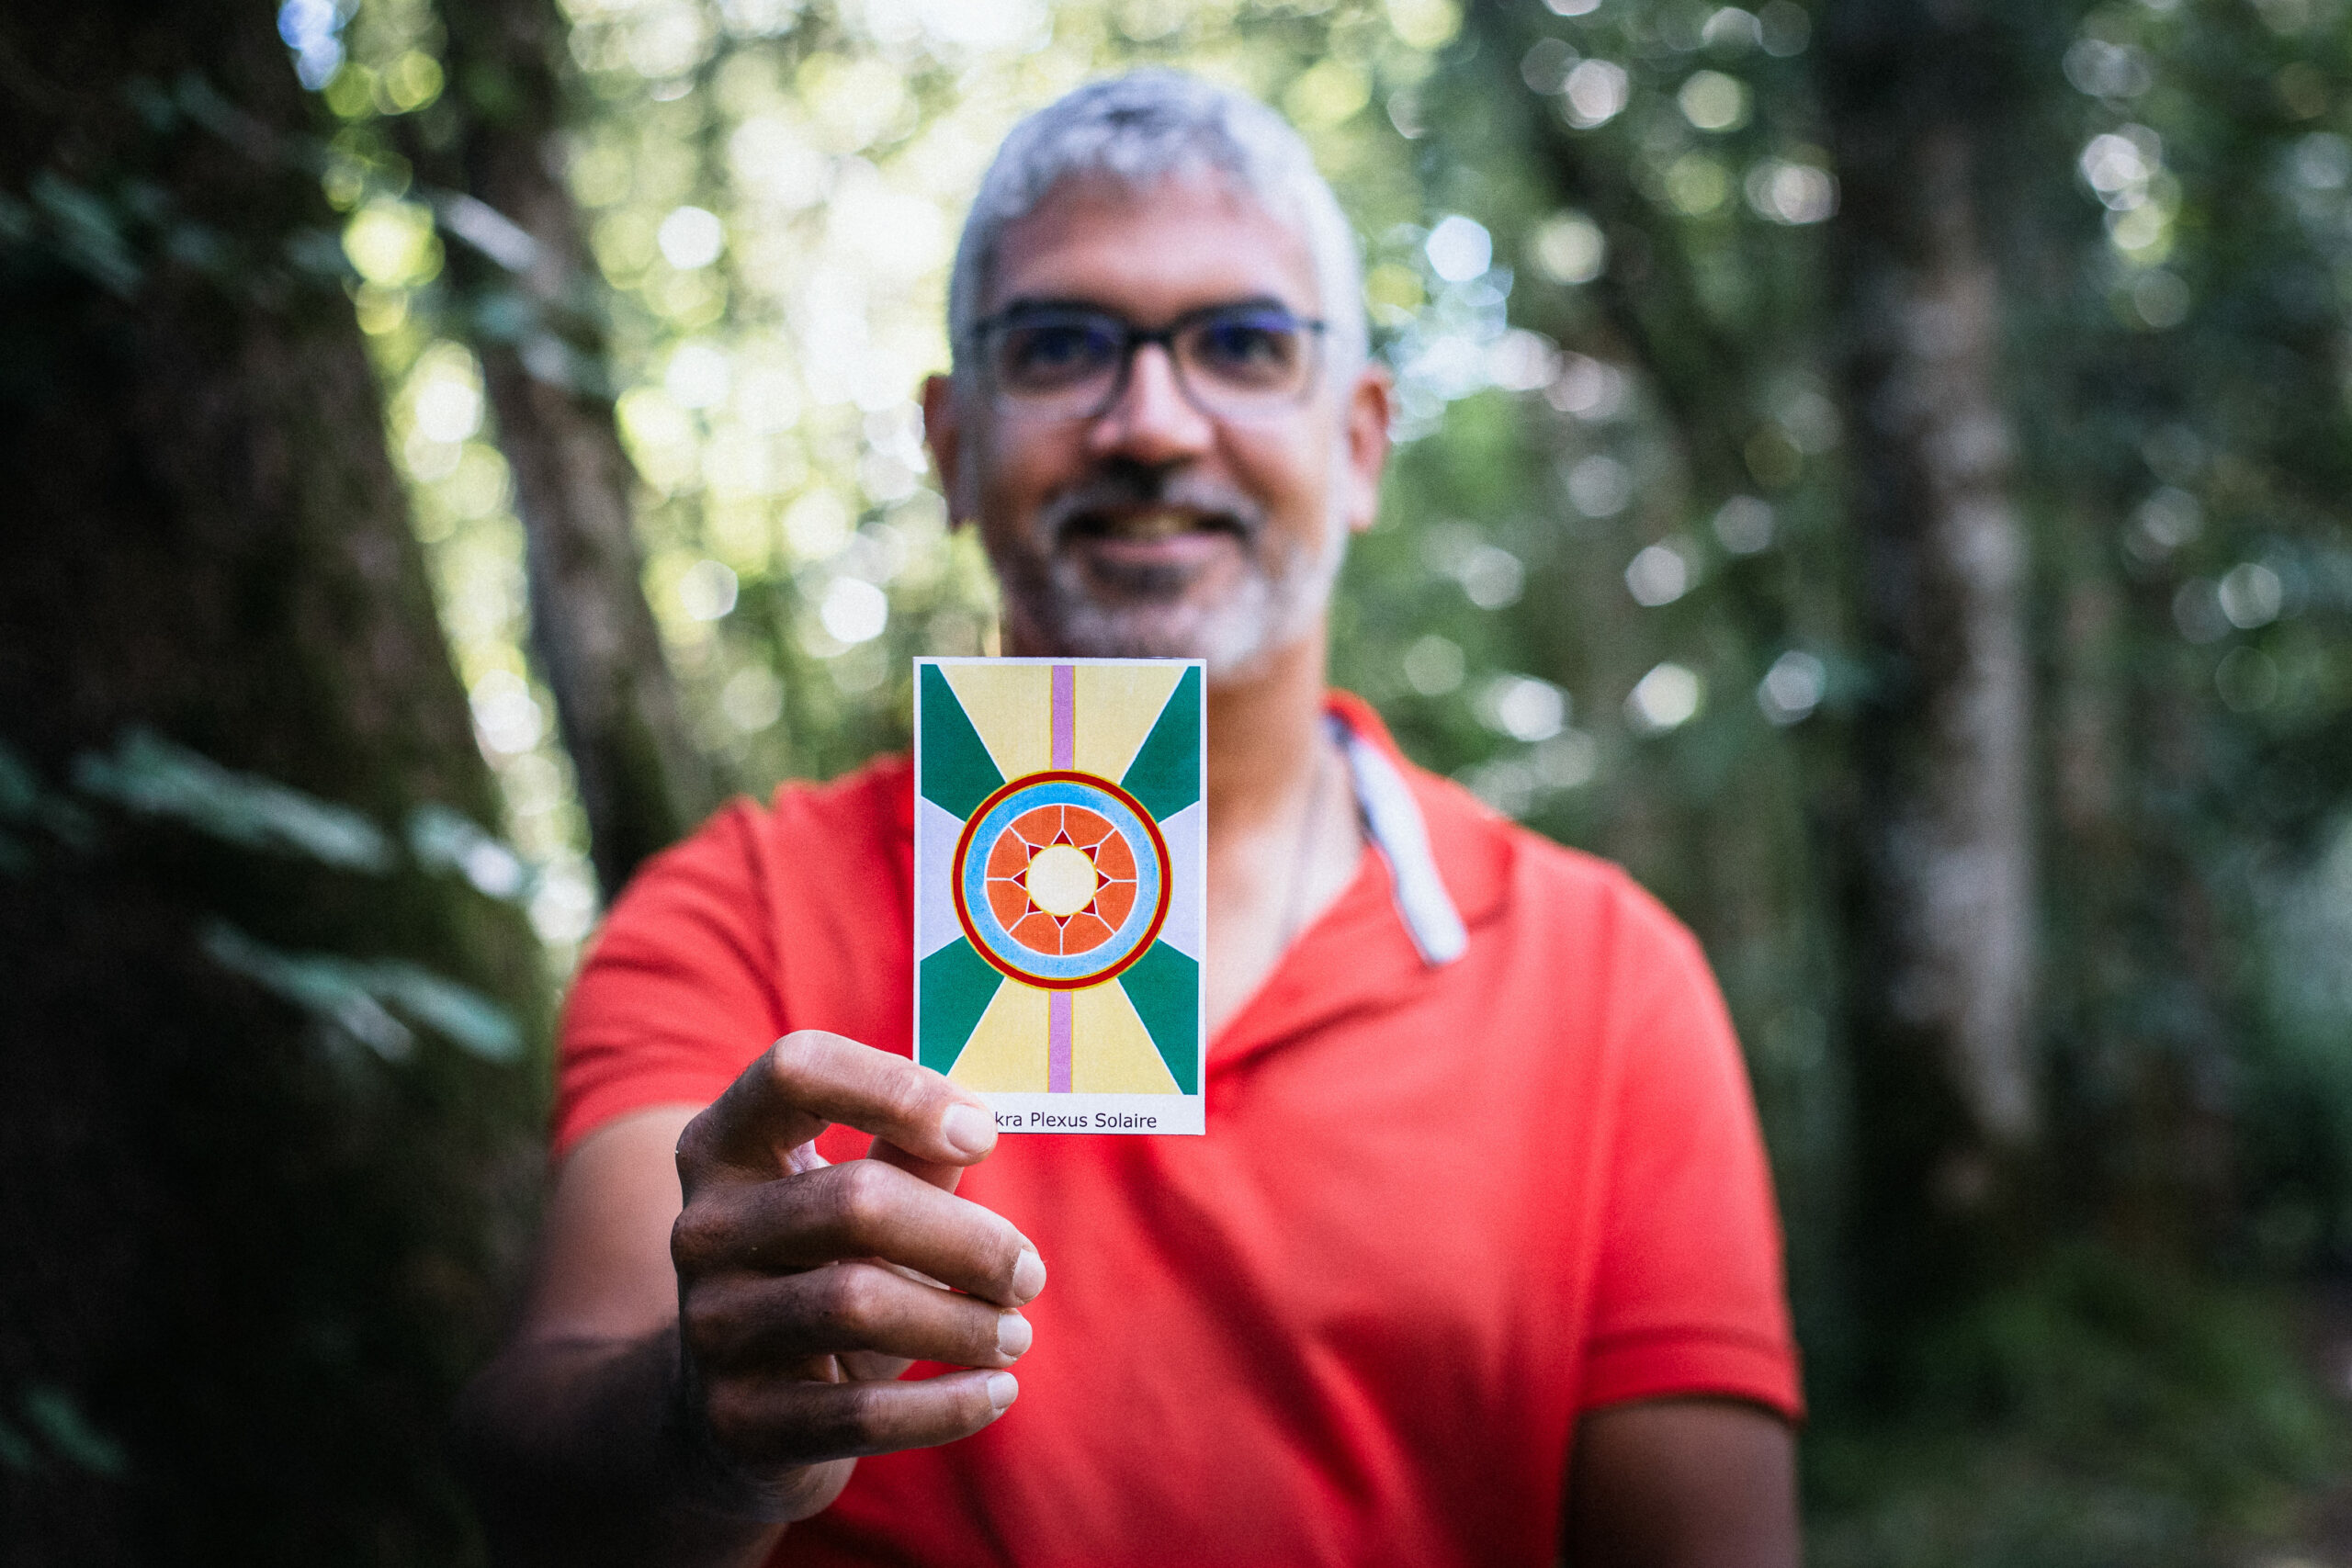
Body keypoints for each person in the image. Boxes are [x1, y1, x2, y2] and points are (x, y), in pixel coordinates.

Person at [458, 71, 1804, 1568]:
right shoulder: (741, 909)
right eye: (1061, 347)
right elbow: (540, 1459)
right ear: (953, 443)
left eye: (1241, 345)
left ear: (1360, 441)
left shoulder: (1608, 977)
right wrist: (701, 1427)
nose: (1151, 423)